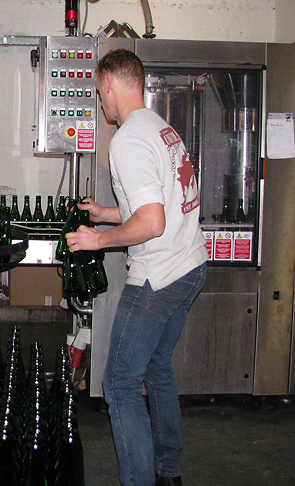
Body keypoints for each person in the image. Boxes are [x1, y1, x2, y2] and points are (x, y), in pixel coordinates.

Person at [65, 49, 208, 486]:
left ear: (109, 83)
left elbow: (151, 221)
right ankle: (169, 470)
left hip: (157, 277)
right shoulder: (161, 129)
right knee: (157, 367)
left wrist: (96, 240)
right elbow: (152, 201)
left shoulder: (127, 139)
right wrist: (105, 214)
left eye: (97, 91)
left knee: (120, 385)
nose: (100, 101)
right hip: (191, 265)